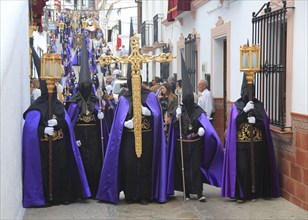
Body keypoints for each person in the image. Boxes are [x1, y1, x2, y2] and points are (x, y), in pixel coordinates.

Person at [22, 39, 91, 207]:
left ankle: (61, 196)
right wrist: (43, 128)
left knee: (61, 170)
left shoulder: (59, 105)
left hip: (59, 146)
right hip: (43, 147)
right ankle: (46, 197)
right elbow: (30, 128)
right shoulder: (36, 106)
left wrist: (58, 122)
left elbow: (66, 123)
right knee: (45, 171)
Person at [96, 67, 168, 205]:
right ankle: (130, 194)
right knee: (129, 165)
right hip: (129, 138)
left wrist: (149, 112)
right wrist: (125, 124)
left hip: (147, 137)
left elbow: (158, 116)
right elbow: (118, 122)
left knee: (146, 164)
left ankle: (144, 195)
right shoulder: (124, 98)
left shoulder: (150, 96)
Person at [167, 55, 224, 202]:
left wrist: (202, 130)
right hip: (182, 142)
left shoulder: (198, 110)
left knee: (196, 166)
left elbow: (205, 124)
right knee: (184, 167)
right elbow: (173, 127)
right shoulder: (179, 110)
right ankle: (186, 192)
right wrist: (176, 117)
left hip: (196, 142)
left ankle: (198, 192)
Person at [221, 74, 280, 203]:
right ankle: (242, 194)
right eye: (247, 90)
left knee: (257, 167)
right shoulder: (237, 105)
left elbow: (264, 124)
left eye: (252, 90)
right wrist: (244, 112)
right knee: (243, 168)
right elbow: (234, 124)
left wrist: (256, 121)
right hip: (242, 143)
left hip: (257, 142)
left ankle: (255, 192)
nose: (249, 93)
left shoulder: (258, 105)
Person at [66, 34, 109, 197]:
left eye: (87, 85)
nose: (85, 87)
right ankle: (81, 191)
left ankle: (95, 189)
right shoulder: (73, 102)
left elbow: (104, 119)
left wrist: (102, 114)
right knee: (81, 163)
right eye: (83, 85)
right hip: (79, 137)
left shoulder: (95, 100)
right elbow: (70, 122)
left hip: (93, 136)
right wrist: (74, 136)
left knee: (94, 163)